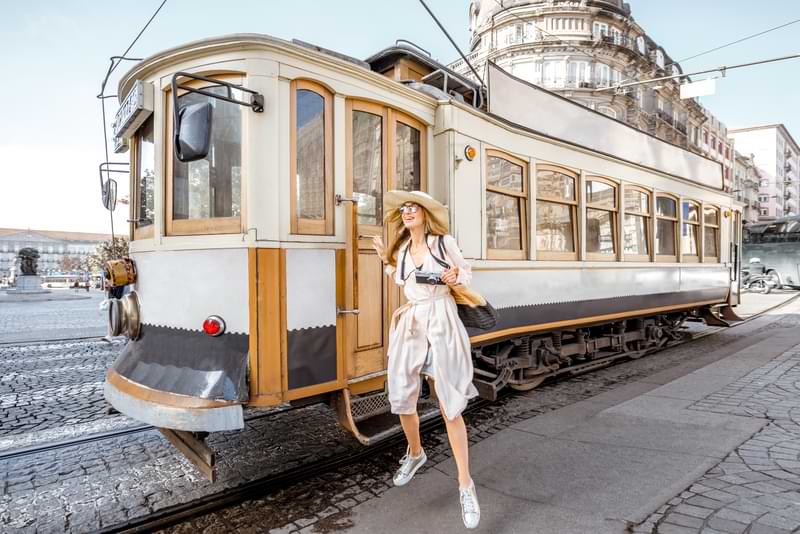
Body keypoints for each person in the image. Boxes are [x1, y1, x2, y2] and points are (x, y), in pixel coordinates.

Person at [371, 190, 481, 529]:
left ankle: (466, 484)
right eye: (403, 209)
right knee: (402, 397)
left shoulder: (442, 242)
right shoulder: (403, 250)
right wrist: (385, 261)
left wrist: (455, 276)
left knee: (450, 404)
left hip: (442, 318)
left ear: (425, 214)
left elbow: (466, 273)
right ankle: (416, 453)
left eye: (412, 207)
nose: (407, 212)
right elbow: (400, 277)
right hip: (412, 320)